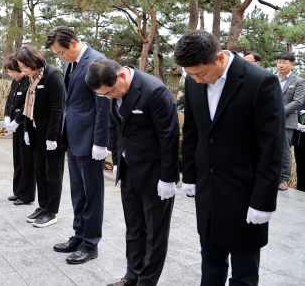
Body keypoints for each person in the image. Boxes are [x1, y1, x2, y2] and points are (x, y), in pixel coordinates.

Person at [174, 30, 284, 286]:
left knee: (244, 272)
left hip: (244, 191)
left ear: (221, 58)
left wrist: (263, 201)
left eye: (201, 73)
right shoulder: (193, 80)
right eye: (191, 74)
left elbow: (272, 147)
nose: (197, 80)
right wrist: (189, 174)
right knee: (210, 262)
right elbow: (192, 130)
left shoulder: (260, 81)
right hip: (208, 191)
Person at [85, 59, 179, 286]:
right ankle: (131, 276)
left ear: (121, 76)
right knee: (134, 228)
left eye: (110, 92)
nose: (109, 97)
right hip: (128, 171)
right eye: (103, 95)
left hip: (154, 173)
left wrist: (168, 177)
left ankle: (147, 282)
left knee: (155, 234)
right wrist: (117, 160)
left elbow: (169, 136)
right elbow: (115, 128)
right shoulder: (111, 93)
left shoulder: (154, 91)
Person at [45, 26, 109, 265]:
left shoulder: (97, 62)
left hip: (90, 140)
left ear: (73, 43)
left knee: (92, 194)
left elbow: (103, 106)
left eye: (61, 52)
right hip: (72, 138)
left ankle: (90, 243)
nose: (60, 57)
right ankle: (79, 234)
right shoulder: (70, 64)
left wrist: (100, 142)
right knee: (78, 192)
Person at [16, 45, 65, 228]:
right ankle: (43, 206)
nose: (23, 70)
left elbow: (57, 108)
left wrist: (52, 137)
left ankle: (52, 211)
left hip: (51, 135)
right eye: (21, 67)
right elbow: (29, 107)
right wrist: (27, 130)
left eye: (24, 66)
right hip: (36, 131)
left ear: (32, 61)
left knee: (52, 173)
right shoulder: (32, 78)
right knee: (40, 171)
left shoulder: (53, 75)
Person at [3, 54, 35, 205]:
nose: (12, 75)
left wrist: (18, 120)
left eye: (13, 71)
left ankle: (27, 194)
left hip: (25, 127)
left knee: (27, 161)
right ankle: (18, 191)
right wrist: (7, 117)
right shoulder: (15, 82)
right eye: (9, 72)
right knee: (18, 160)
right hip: (15, 128)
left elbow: (26, 105)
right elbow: (10, 100)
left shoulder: (29, 81)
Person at [275, 51, 305, 191]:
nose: (281, 65)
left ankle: (284, 179)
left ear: (292, 64)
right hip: (269, 119)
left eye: (285, 62)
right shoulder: (271, 78)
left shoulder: (298, 81)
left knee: (285, 150)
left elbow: (297, 101)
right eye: (279, 62)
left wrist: (278, 112)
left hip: (287, 120)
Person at [291, 101, 305, 192]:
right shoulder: (301, 99)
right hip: (300, 139)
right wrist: (296, 123)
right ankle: (300, 189)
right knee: (301, 168)